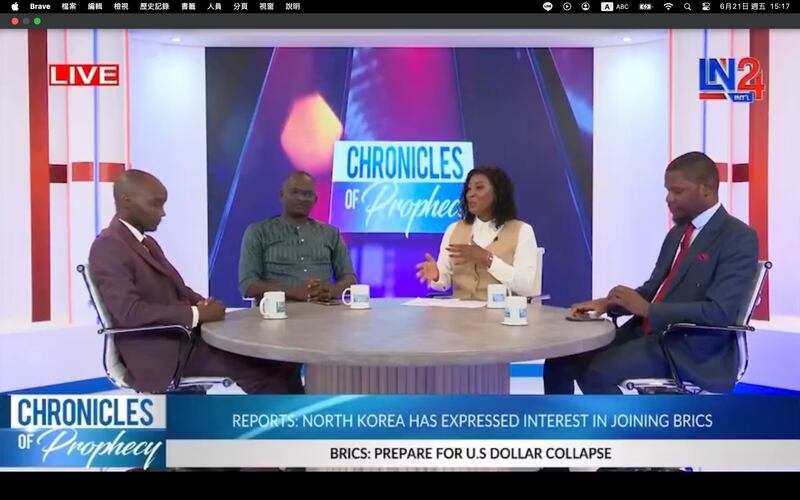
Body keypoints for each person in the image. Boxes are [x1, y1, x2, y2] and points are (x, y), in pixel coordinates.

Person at [544, 151, 759, 394]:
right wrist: (610, 303)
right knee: (560, 359)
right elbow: (654, 289)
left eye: (677, 191)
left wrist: (648, 310)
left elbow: (720, 312)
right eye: (668, 190)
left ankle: (624, 421)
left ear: (706, 189)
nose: (668, 198)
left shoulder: (738, 237)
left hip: (691, 347)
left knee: (597, 373)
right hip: (650, 333)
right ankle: (558, 419)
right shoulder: (677, 233)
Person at [89, 169, 303, 394]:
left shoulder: (147, 243)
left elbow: (178, 288)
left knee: (283, 361)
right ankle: (285, 417)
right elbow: (129, 312)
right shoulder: (109, 246)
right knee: (261, 370)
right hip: (162, 353)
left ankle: (306, 416)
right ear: (127, 200)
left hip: (184, 340)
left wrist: (202, 303)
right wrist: (196, 314)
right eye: (155, 204)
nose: (163, 213)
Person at [415, 165, 539, 301]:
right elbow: (444, 282)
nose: (470, 194)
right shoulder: (454, 230)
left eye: (479, 188)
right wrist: (437, 275)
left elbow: (525, 286)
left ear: (498, 193)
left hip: (501, 312)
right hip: (459, 312)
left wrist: (487, 259)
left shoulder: (522, 231)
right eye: (468, 189)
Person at [239, 171, 356, 303]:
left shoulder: (331, 233)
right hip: (277, 311)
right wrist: (295, 292)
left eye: (308, 194)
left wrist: (331, 292)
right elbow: (248, 285)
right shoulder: (258, 232)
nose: (301, 198)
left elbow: (350, 279)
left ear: (315, 200)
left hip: (323, 309)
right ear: (281, 195)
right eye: (294, 192)